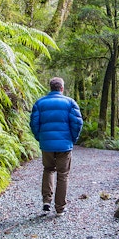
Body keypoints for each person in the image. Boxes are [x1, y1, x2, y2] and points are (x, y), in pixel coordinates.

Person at [30, 77, 83, 217]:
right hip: (64, 145)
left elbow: (34, 123)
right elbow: (77, 123)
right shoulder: (70, 103)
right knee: (63, 175)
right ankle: (60, 208)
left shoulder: (40, 103)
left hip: (46, 144)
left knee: (48, 170)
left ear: (50, 87)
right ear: (62, 88)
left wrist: (40, 137)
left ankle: (46, 201)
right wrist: (72, 138)